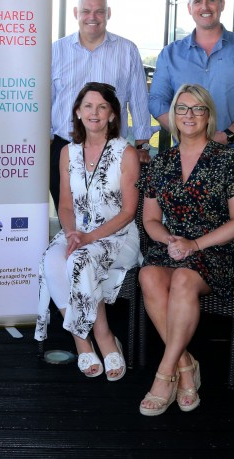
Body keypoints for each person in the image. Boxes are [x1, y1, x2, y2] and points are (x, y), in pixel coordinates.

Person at [138, 84, 234, 416]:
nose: (189, 116)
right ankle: (187, 365)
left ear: (208, 116)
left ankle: (165, 374)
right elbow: (149, 219)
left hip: (219, 249)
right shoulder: (162, 162)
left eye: (197, 109)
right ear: (172, 117)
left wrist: (195, 245)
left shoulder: (229, 159)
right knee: (148, 274)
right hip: (174, 246)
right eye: (182, 109)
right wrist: (171, 241)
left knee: (183, 281)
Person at [35, 82, 141, 381]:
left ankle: (104, 336)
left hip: (117, 234)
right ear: (78, 113)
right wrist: (71, 234)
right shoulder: (68, 152)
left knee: (79, 261)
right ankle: (82, 342)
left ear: (112, 115)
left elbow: (128, 212)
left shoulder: (126, 153)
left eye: (102, 107)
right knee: (52, 259)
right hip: (77, 230)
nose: (94, 112)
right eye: (88, 106)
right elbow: (66, 206)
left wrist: (88, 239)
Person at [148, 0, 234, 166]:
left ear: (221, 4)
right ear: (189, 8)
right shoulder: (170, 54)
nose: (204, 7)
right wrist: (186, 133)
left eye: (211, 0)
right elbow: (156, 101)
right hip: (185, 161)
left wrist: (227, 136)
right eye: (198, 1)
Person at [50, 0, 153, 211]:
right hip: (63, 147)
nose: (92, 17)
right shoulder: (55, 51)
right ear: (76, 12)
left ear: (108, 13)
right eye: (86, 11)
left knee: (111, 214)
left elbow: (138, 98)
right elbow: (46, 100)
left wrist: (143, 143)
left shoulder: (127, 50)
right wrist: (47, 143)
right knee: (67, 212)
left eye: (99, 11)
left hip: (113, 149)